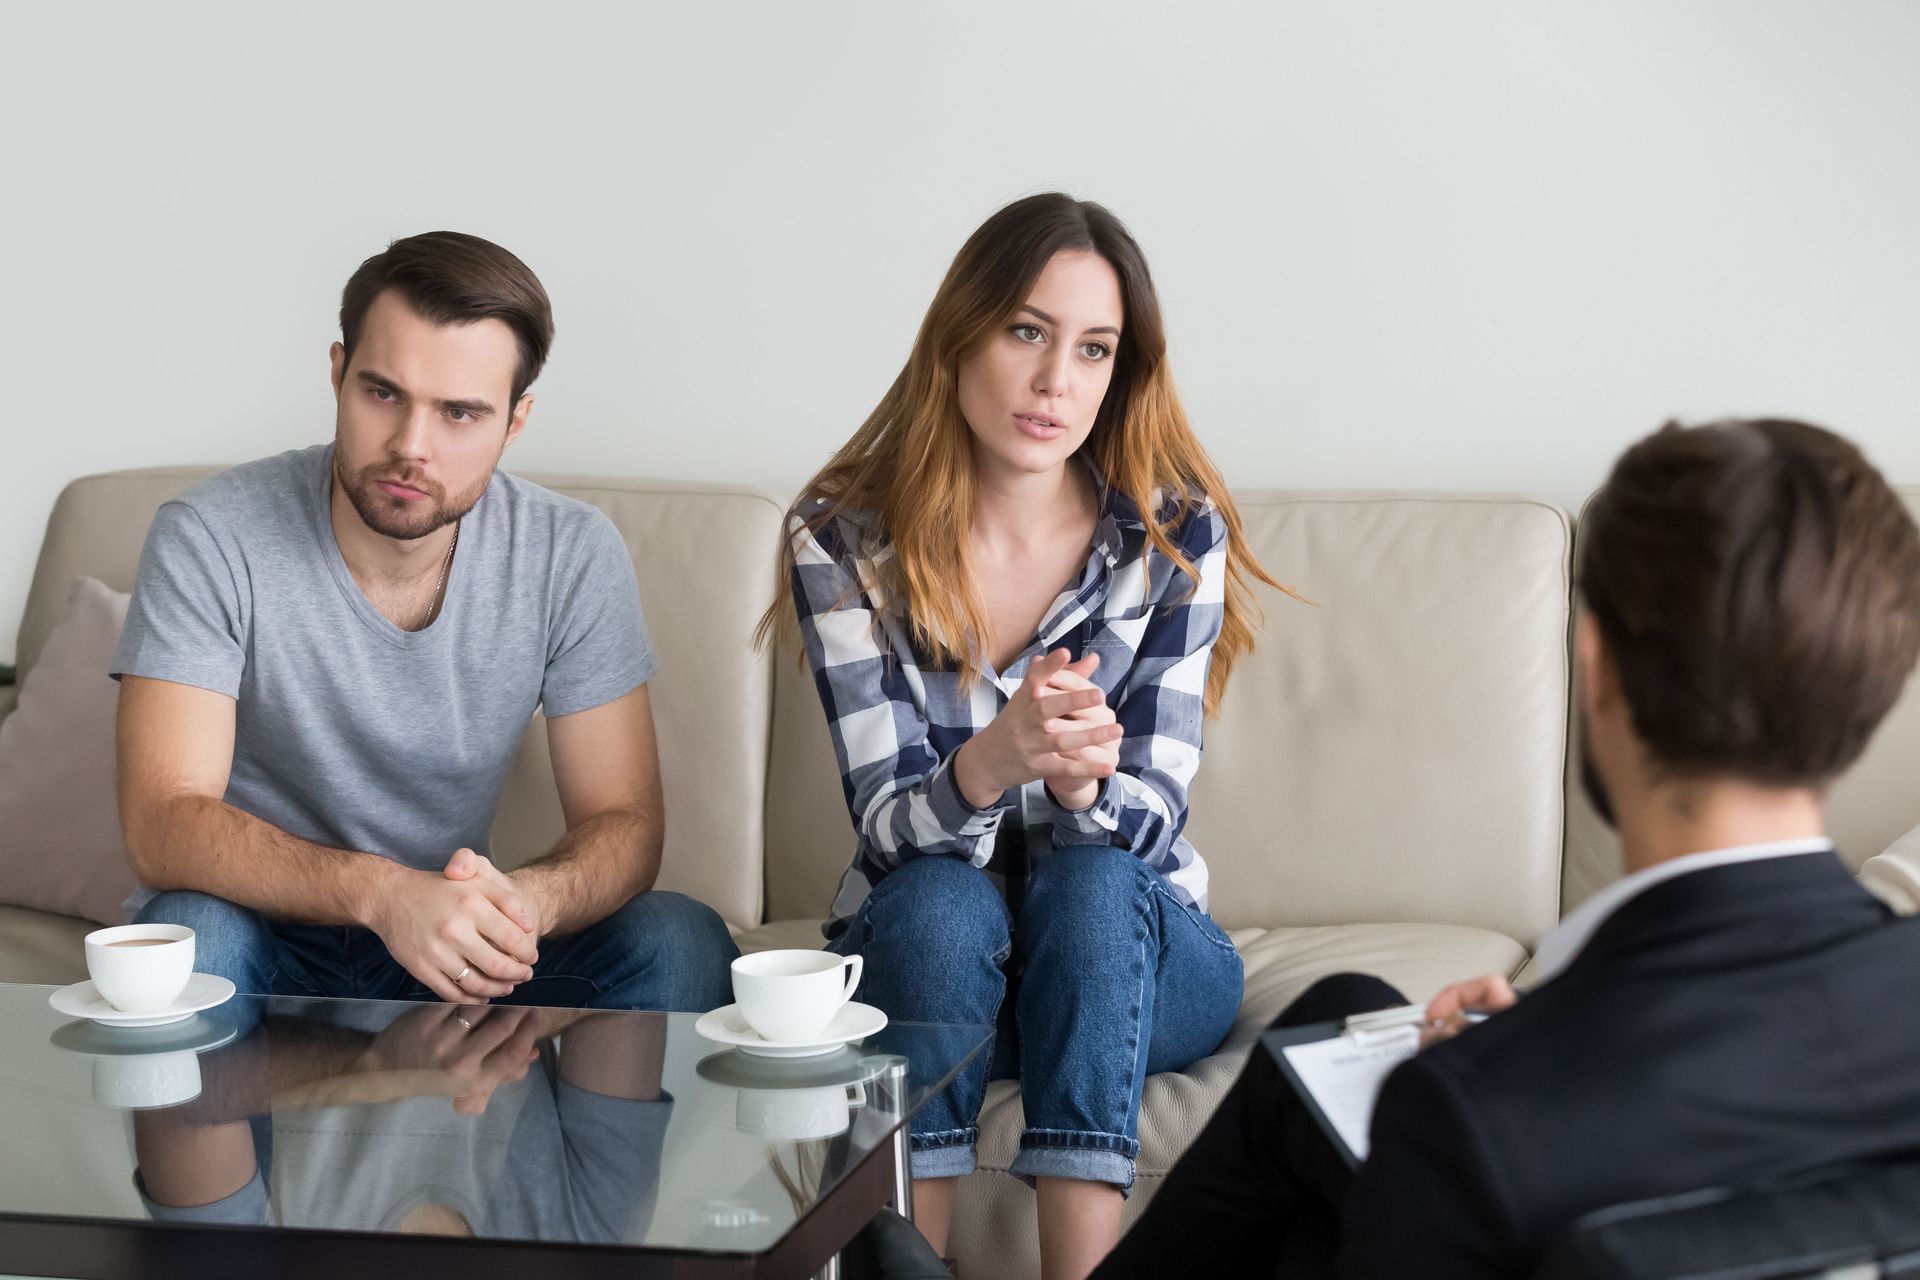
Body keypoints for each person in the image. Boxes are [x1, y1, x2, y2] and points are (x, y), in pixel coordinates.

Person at [1086, 418, 1920, 1278]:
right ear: (1873, 691)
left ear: (1594, 668)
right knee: (1342, 1017)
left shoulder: (1467, 1119)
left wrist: (1502, 1085)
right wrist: (1534, 1057)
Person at [758, 193, 1299, 1279]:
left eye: (1094, 349)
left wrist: (1089, 790)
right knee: (936, 903)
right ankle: (908, 1268)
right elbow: (885, 822)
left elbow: (1154, 818)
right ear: (960, 333)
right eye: (1027, 332)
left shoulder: (1174, 534)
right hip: (935, 968)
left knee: (1094, 882)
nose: (1058, 381)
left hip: (1131, 961)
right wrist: (989, 765)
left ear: (1120, 373)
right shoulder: (841, 537)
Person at [114, 231, 737, 1011]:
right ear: (338, 374)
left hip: (458, 933)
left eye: (461, 414)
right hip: (261, 931)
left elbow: (625, 822)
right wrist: (383, 894)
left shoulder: (569, 553)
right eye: (383, 393)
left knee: (678, 939)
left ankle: (571, 1135)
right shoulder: (210, 534)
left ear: (514, 422)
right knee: (189, 938)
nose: (413, 447)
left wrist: (521, 908)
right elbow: (162, 822)